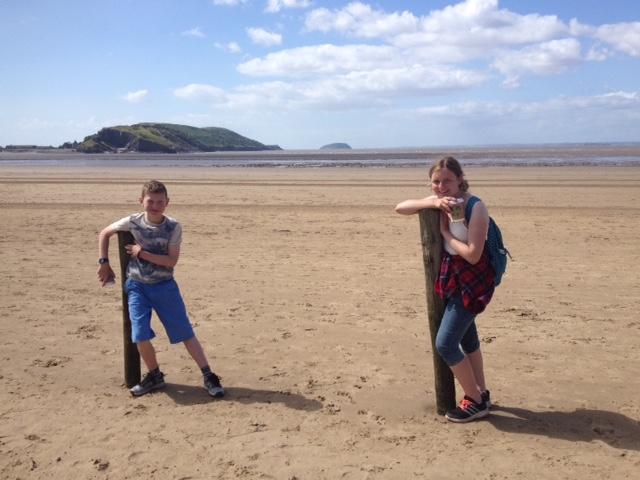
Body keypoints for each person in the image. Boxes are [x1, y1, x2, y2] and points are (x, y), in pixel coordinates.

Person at [97, 180, 225, 398]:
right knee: (140, 334)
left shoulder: (173, 226)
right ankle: (155, 375)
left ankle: (208, 374)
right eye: (150, 201)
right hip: (137, 287)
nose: (155, 206)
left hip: (164, 286)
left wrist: (141, 252)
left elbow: (171, 261)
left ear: (167, 203)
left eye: (159, 202)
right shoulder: (133, 221)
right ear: (141, 201)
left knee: (184, 331)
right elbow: (105, 233)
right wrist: (104, 262)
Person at [395, 157, 495, 423]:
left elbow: (474, 255)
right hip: (451, 278)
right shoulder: (440, 201)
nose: (441, 186)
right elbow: (400, 208)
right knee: (468, 339)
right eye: (436, 182)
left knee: (446, 344)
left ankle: (473, 399)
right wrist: (432, 202)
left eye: (447, 180)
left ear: (460, 179)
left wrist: (446, 233)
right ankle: (482, 393)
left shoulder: (476, 207)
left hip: (473, 281)